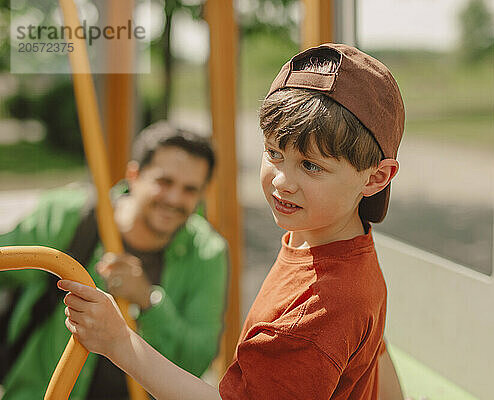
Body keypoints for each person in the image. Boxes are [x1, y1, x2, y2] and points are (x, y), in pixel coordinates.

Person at [59, 43, 404, 399]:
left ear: (376, 178)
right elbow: (377, 350)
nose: (282, 180)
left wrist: (118, 342)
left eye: (311, 165)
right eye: (274, 153)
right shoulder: (322, 238)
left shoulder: (319, 307)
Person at [0, 121, 229, 399]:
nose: (174, 198)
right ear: (134, 175)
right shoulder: (70, 216)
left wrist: (148, 300)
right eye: (164, 182)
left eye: (190, 189)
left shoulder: (207, 252)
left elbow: (195, 361)